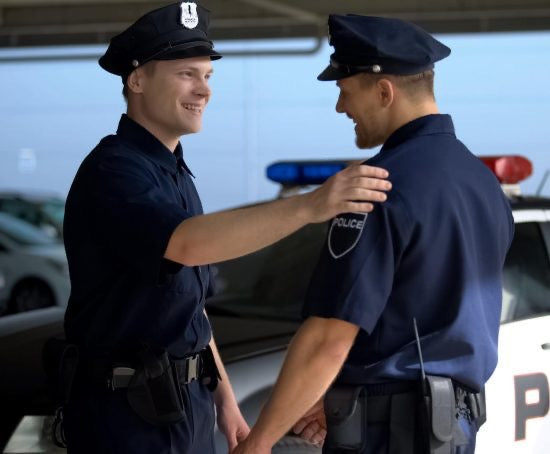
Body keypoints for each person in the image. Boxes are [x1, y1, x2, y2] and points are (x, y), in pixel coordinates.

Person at [60, 3, 391, 454]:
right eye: (187, 74)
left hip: (184, 408)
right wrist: (311, 205)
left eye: (208, 76)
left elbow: (190, 311)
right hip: (126, 420)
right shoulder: (114, 170)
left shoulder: (175, 173)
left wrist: (225, 400)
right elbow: (186, 245)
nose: (204, 90)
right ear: (136, 80)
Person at [232, 14, 514, 454]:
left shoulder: (378, 185)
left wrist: (259, 443)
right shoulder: (482, 183)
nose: (341, 108)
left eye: (345, 93)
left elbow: (329, 335)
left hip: (391, 434)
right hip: (451, 430)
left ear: (384, 91)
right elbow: (427, 307)